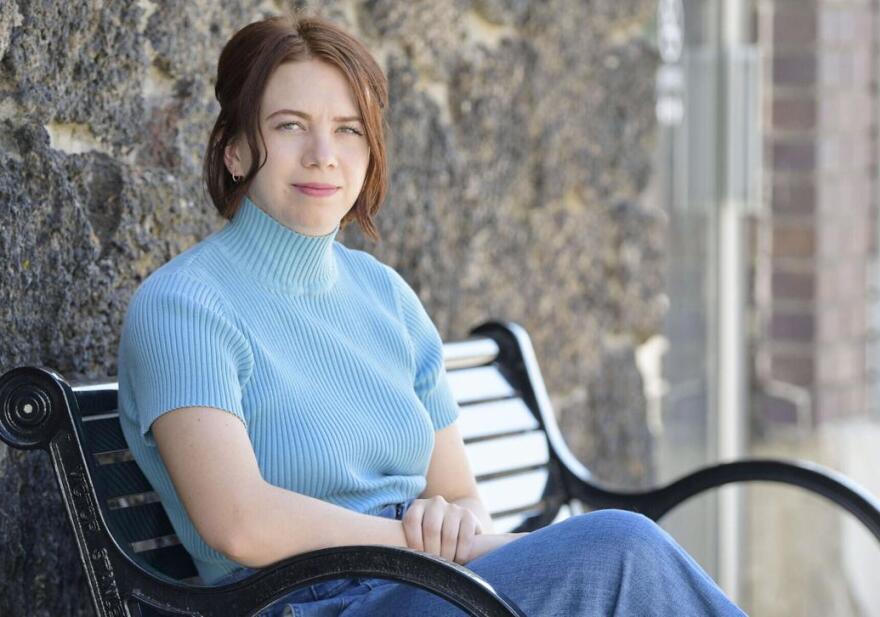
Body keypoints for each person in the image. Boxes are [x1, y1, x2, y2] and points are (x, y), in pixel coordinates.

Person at [117, 13, 746, 616]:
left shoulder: (385, 297)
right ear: (233, 149)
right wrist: (419, 545)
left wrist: (454, 525)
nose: (322, 154)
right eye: (288, 126)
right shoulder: (186, 306)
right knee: (622, 550)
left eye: (348, 128)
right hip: (311, 602)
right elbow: (238, 523)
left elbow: (460, 496)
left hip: (426, 586)